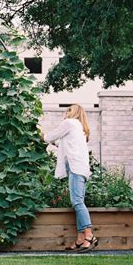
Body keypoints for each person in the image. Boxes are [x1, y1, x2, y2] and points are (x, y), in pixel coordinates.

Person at [43, 104, 98, 253]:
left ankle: (89, 235)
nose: (65, 113)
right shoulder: (79, 128)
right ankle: (80, 238)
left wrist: (41, 136)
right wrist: (51, 141)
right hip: (81, 169)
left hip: (76, 168)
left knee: (77, 202)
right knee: (78, 202)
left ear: (73, 112)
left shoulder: (70, 123)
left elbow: (51, 136)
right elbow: (60, 142)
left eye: (67, 110)